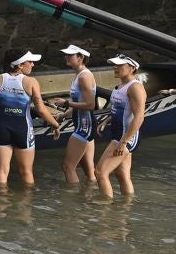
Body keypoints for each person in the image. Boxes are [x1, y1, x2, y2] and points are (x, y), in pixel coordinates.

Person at [0, 49, 62, 188]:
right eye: (30, 62)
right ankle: (26, 206)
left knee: (2, 171)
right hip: (23, 130)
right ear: (19, 65)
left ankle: (1, 206)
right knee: (26, 172)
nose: (33, 65)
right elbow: (41, 110)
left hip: (1, 128)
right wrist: (55, 125)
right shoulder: (31, 82)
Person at [94, 55, 145, 199]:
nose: (115, 68)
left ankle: (105, 207)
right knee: (122, 174)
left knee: (100, 172)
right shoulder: (120, 86)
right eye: (114, 65)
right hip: (118, 134)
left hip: (126, 137)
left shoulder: (135, 87)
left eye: (119, 65)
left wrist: (123, 142)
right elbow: (121, 110)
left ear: (132, 68)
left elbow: (139, 116)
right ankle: (125, 208)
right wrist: (106, 121)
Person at [55, 44, 98, 185]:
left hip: (84, 127)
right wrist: (63, 115)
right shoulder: (80, 75)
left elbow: (90, 105)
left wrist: (66, 103)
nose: (66, 57)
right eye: (66, 54)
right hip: (85, 125)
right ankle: (91, 198)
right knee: (89, 171)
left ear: (81, 57)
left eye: (70, 55)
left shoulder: (84, 77)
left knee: (68, 167)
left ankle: (71, 201)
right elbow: (80, 104)